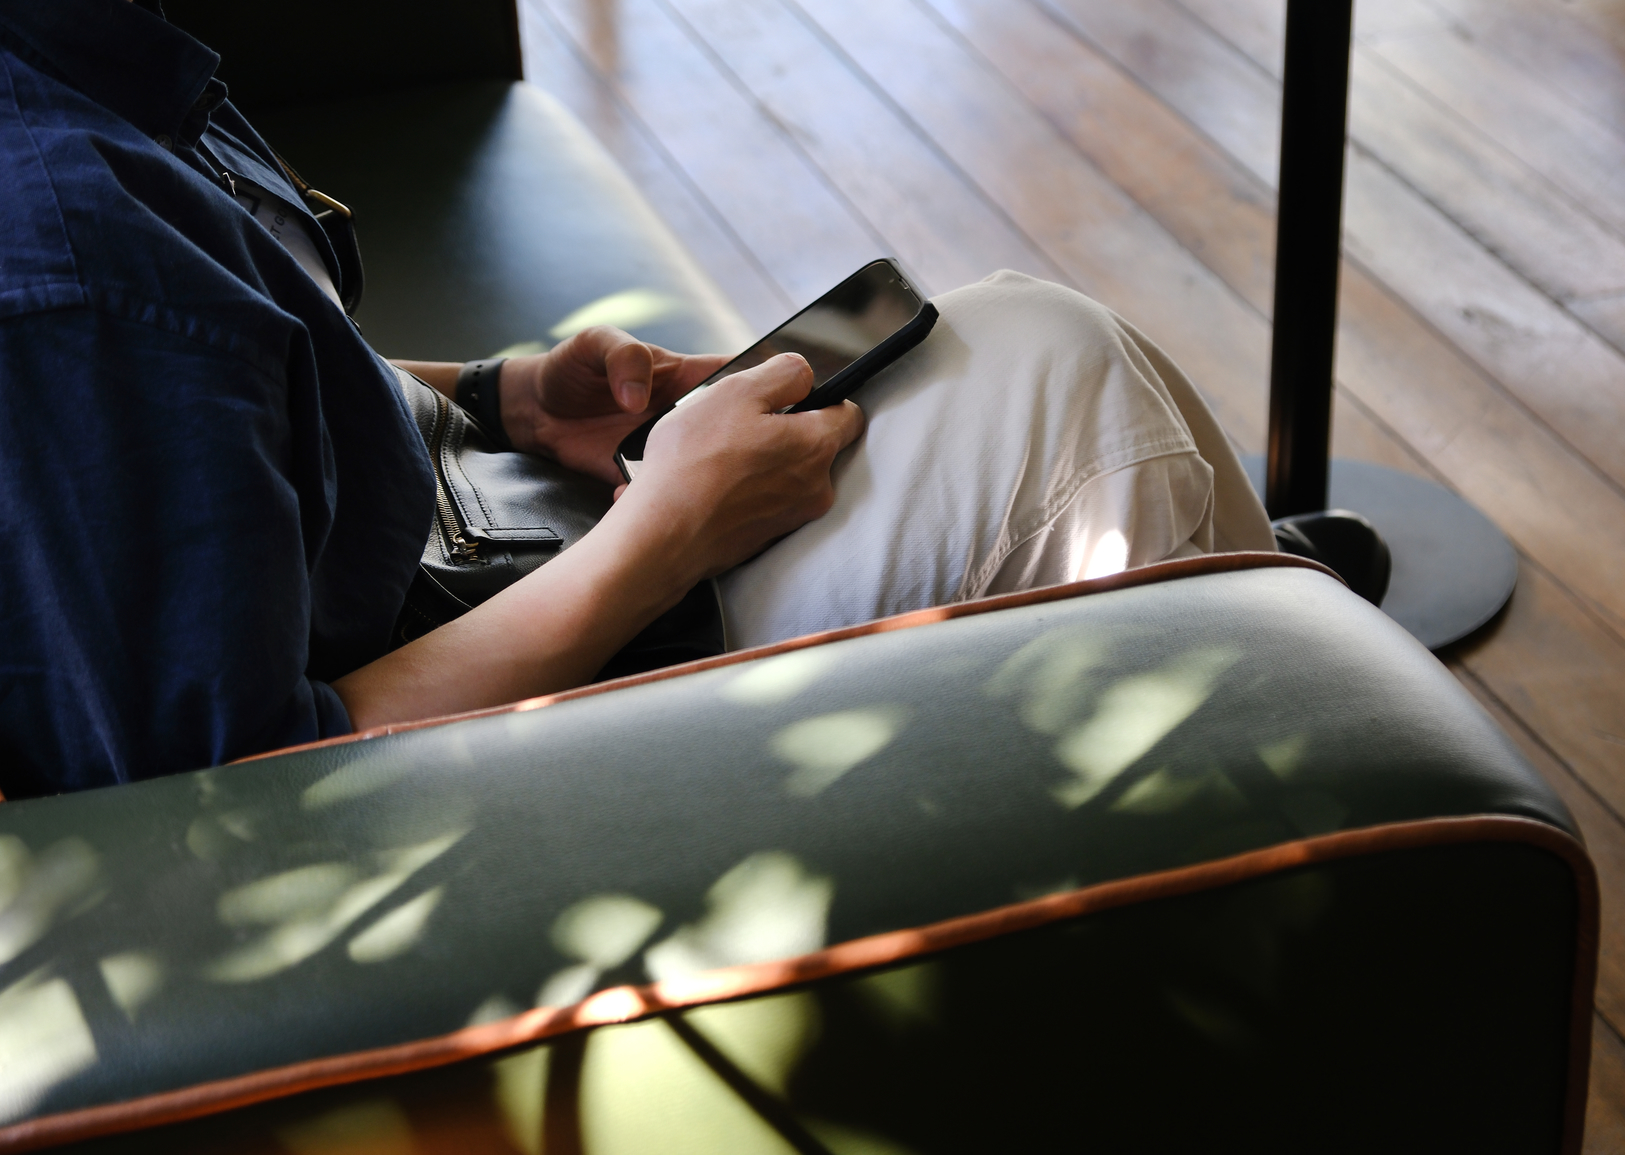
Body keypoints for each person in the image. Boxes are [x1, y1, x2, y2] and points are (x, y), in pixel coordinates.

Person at [0, 0, 1271, 797]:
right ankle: (1317, 847)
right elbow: (235, 798)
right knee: (1067, 394)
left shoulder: (82, 65)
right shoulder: (70, 265)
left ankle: (1237, 592)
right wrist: (661, 540)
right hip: (470, 719)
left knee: (1029, 356)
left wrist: (503, 398)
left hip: (471, 528)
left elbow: (235, 376)